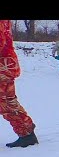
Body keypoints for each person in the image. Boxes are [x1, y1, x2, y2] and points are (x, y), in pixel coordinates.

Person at [0, 20, 38, 148]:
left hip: (3, 67)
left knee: (5, 103)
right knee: (7, 101)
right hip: (5, 65)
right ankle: (26, 130)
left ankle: (26, 132)